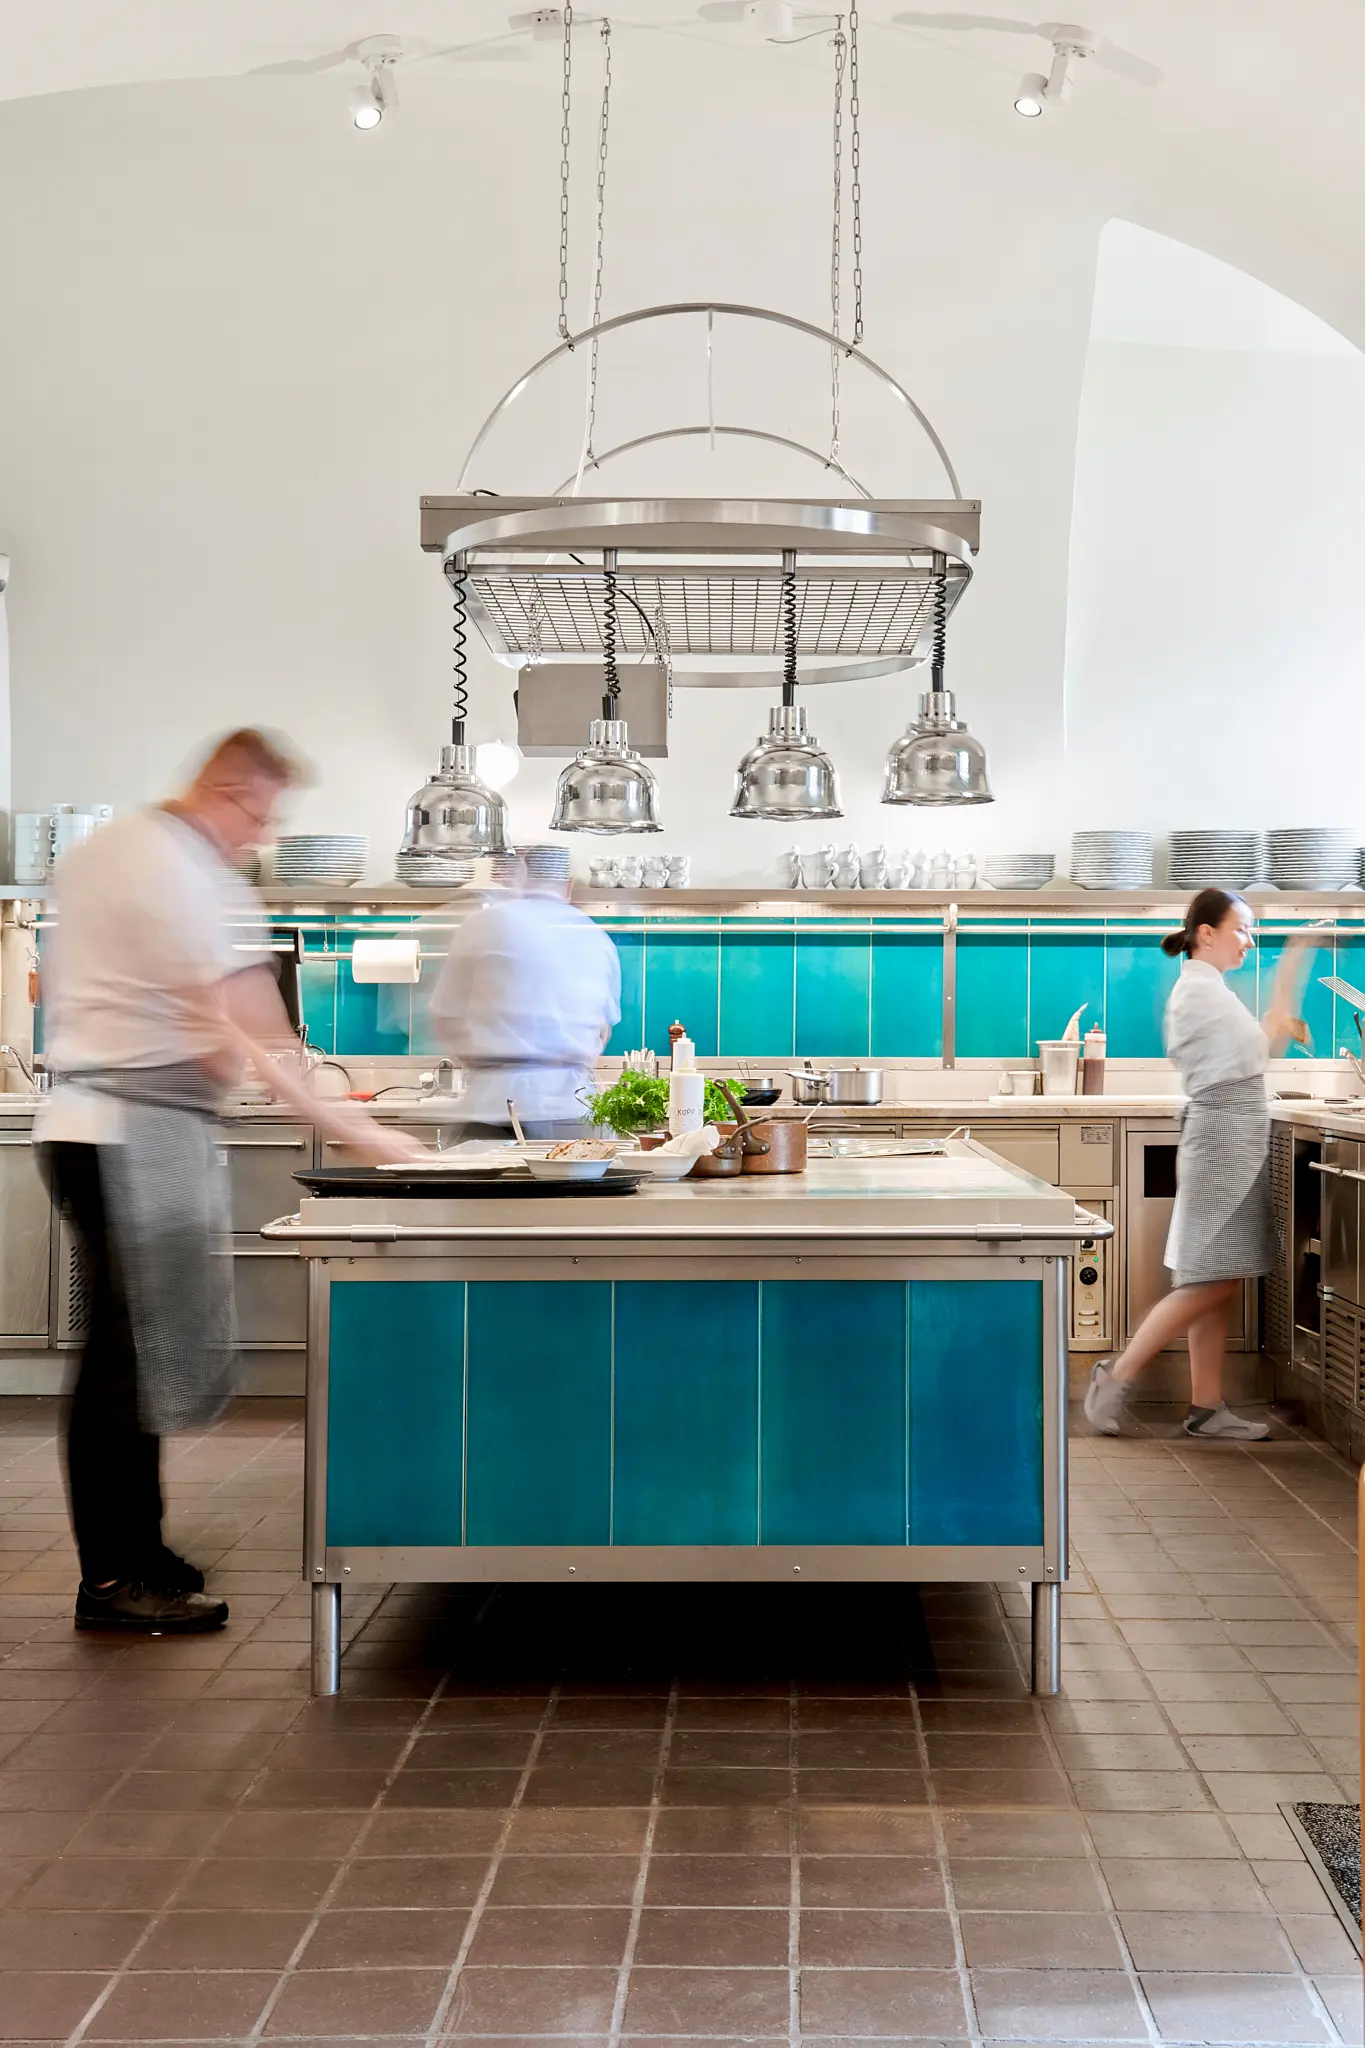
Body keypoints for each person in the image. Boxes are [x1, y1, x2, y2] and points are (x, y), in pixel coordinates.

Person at [34, 729, 420, 1635]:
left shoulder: (119, 849)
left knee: (138, 1353)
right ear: (228, 789)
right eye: (260, 813)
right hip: (124, 1133)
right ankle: (113, 1580)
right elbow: (251, 1016)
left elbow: (204, 1018)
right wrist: (356, 1131)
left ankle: (141, 1550)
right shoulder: (182, 869)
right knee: (125, 1363)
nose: (260, 834)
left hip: (106, 1126)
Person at [1085, 887, 1307, 1442]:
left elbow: (1255, 1055)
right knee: (1207, 1281)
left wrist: (1279, 1019)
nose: (1249, 942)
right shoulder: (1201, 993)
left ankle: (1206, 1408)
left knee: (1218, 1275)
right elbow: (1258, 1055)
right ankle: (1116, 1374)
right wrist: (1296, 964)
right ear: (1206, 933)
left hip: (1229, 1138)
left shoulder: (1209, 990)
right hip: (1223, 1143)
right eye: (1241, 929)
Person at [429, 849, 621, 1141]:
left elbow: (446, 1020)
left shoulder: (482, 925)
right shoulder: (597, 936)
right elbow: (602, 1032)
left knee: (480, 1183)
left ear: (517, 879)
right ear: (567, 886)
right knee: (579, 1185)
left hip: (494, 1108)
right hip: (573, 1107)